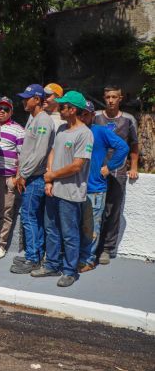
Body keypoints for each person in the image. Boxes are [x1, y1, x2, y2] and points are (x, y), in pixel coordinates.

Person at [32, 90, 94, 287]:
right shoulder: (61, 130)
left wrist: (52, 176)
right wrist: (49, 180)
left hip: (71, 193)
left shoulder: (85, 134)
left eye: (62, 106)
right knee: (51, 229)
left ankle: (69, 271)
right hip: (54, 190)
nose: (58, 108)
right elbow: (52, 152)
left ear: (72, 109)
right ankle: (51, 265)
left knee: (69, 233)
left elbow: (77, 166)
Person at [79, 100, 129, 272]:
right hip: (75, 188)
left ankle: (89, 260)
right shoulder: (73, 131)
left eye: (86, 113)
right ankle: (78, 257)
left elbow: (123, 147)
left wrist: (109, 167)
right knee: (77, 225)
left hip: (94, 188)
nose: (82, 116)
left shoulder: (99, 131)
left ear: (93, 116)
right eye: (80, 113)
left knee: (91, 227)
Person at [93, 85, 139, 265]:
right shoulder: (95, 117)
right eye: (108, 97)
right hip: (96, 171)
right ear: (104, 98)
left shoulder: (128, 119)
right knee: (94, 209)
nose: (111, 100)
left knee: (112, 210)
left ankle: (106, 248)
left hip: (118, 172)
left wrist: (133, 166)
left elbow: (134, 145)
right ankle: (92, 246)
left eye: (114, 97)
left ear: (120, 99)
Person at [11, 84, 55, 274]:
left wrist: (24, 175)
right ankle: (34, 255)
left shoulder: (43, 120)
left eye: (26, 97)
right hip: (30, 176)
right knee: (32, 217)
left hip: (34, 178)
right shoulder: (34, 117)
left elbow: (39, 153)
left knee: (29, 218)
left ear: (37, 99)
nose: (23, 101)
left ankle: (32, 259)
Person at [0, 97, 24, 259]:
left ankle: (0, 245)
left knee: (6, 213)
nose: (2, 111)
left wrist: (16, 177)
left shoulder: (18, 130)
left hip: (7, 178)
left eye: (6, 108)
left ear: (11, 111)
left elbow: (22, 155)